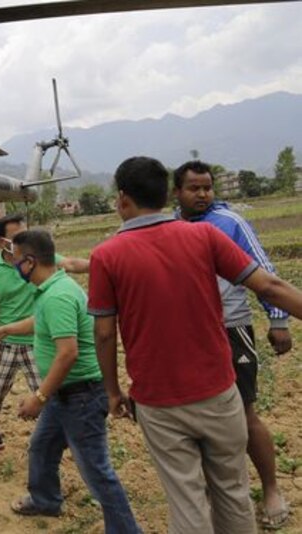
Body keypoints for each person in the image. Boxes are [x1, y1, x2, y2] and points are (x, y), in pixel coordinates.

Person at [90, 156, 302, 533]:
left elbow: (105, 333)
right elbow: (270, 286)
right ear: (167, 193)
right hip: (219, 395)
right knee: (233, 492)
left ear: (122, 199)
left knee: (187, 501)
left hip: (159, 403)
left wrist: (112, 391)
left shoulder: (106, 256)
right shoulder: (205, 237)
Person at [0, 230, 139, 532]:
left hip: (80, 396)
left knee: (97, 472)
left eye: (15, 261)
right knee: (42, 447)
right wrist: (4, 330)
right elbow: (40, 322)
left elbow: (67, 354)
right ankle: (45, 500)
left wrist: (39, 398)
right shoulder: (52, 289)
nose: (13, 267)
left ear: (29, 262)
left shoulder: (58, 296)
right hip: (65, 395)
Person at [173, 160, 291, 529]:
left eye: (207, 187)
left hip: (231, 328)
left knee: (245, 411)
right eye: (194, 188)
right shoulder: (172, 229)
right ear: (177, 192)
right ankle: (211, 493)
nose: (203, 194)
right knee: (196, 416)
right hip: (189, 333)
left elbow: (264, 270)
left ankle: (271, 488)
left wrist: (278, 319)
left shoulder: (230, 223)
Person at [0, 214, 88, 454]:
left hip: (37, 341)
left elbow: (71, 264)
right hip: (6, 340)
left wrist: (106, 264)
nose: (24, 238)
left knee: (48, 393)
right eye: (17, 236)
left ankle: (59, 439)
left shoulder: (37, 260)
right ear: (2, 242)